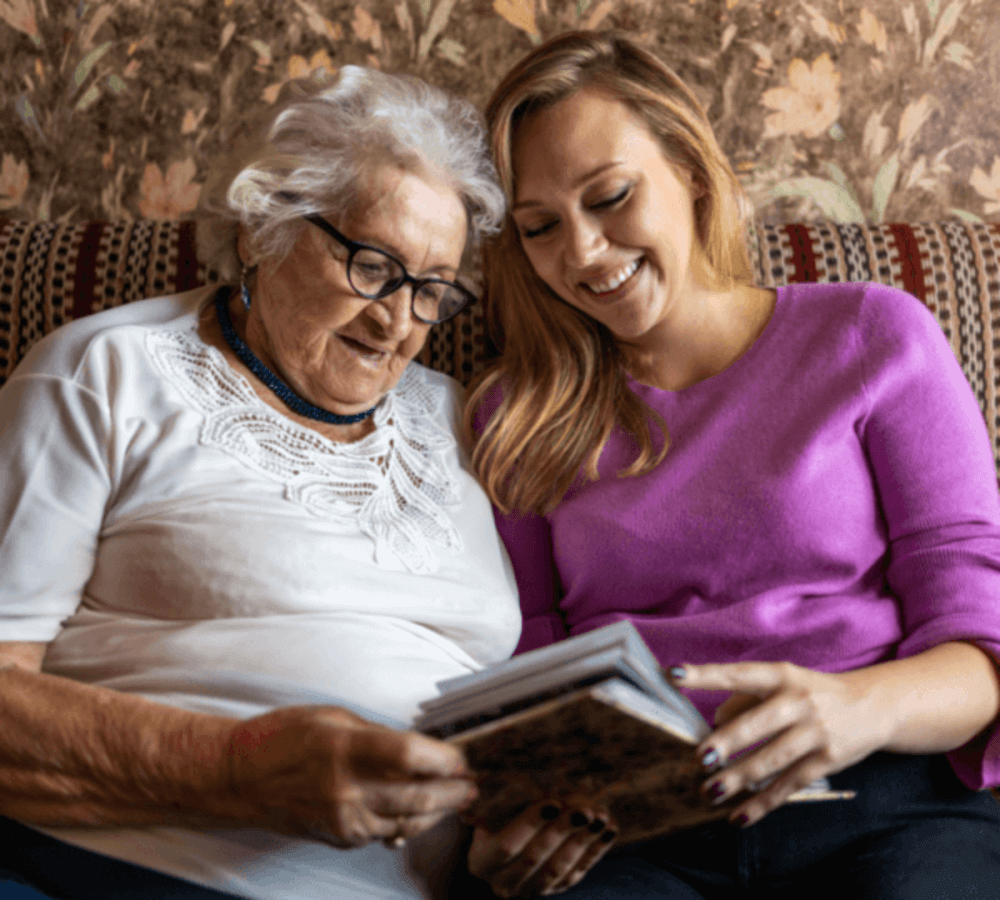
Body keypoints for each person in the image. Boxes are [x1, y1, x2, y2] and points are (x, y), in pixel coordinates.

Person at [0, 65, 607, 900]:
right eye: (371, 265)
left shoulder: (459, 419)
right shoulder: (100, 374)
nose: (397, 320)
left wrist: (504, 840)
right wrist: (237, 771)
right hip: (115, 870)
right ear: (263, 228)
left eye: (432, 291)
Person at [465, 31, 1000, 898]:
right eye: (540, 227)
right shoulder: (515, 414)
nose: (585, 252)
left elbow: (980, 646)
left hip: (886, 796)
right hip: (642, 831)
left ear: (690, 169)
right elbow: (530, 662)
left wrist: (855, 710)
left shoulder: (872, 333)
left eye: (610, 197)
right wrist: (516, 818)